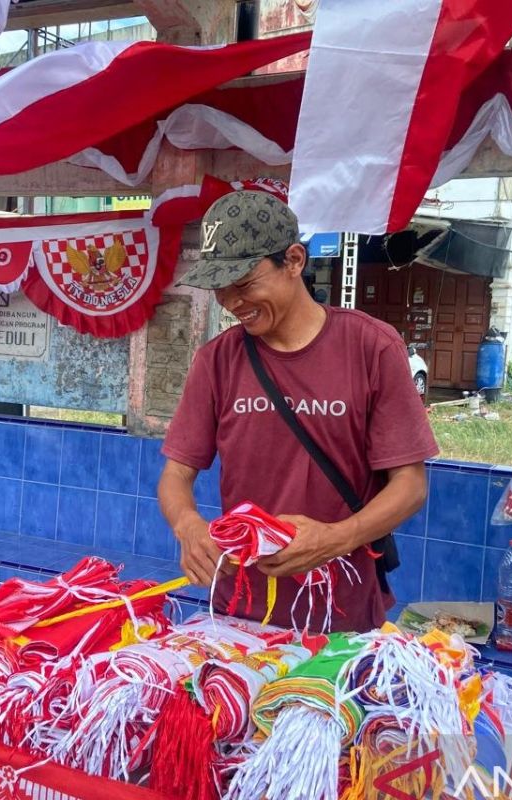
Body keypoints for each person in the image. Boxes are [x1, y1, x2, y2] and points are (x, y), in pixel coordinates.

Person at [157, 190, 439, 631]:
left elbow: (411, 485)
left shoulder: (371, 347)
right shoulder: (217, 360)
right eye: (220, 290)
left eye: (245, 284)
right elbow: (176, 474)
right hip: (242, 611)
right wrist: (188, 525)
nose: (232, 303)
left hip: (341, 610)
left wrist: (334, 539)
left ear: (293, 261)